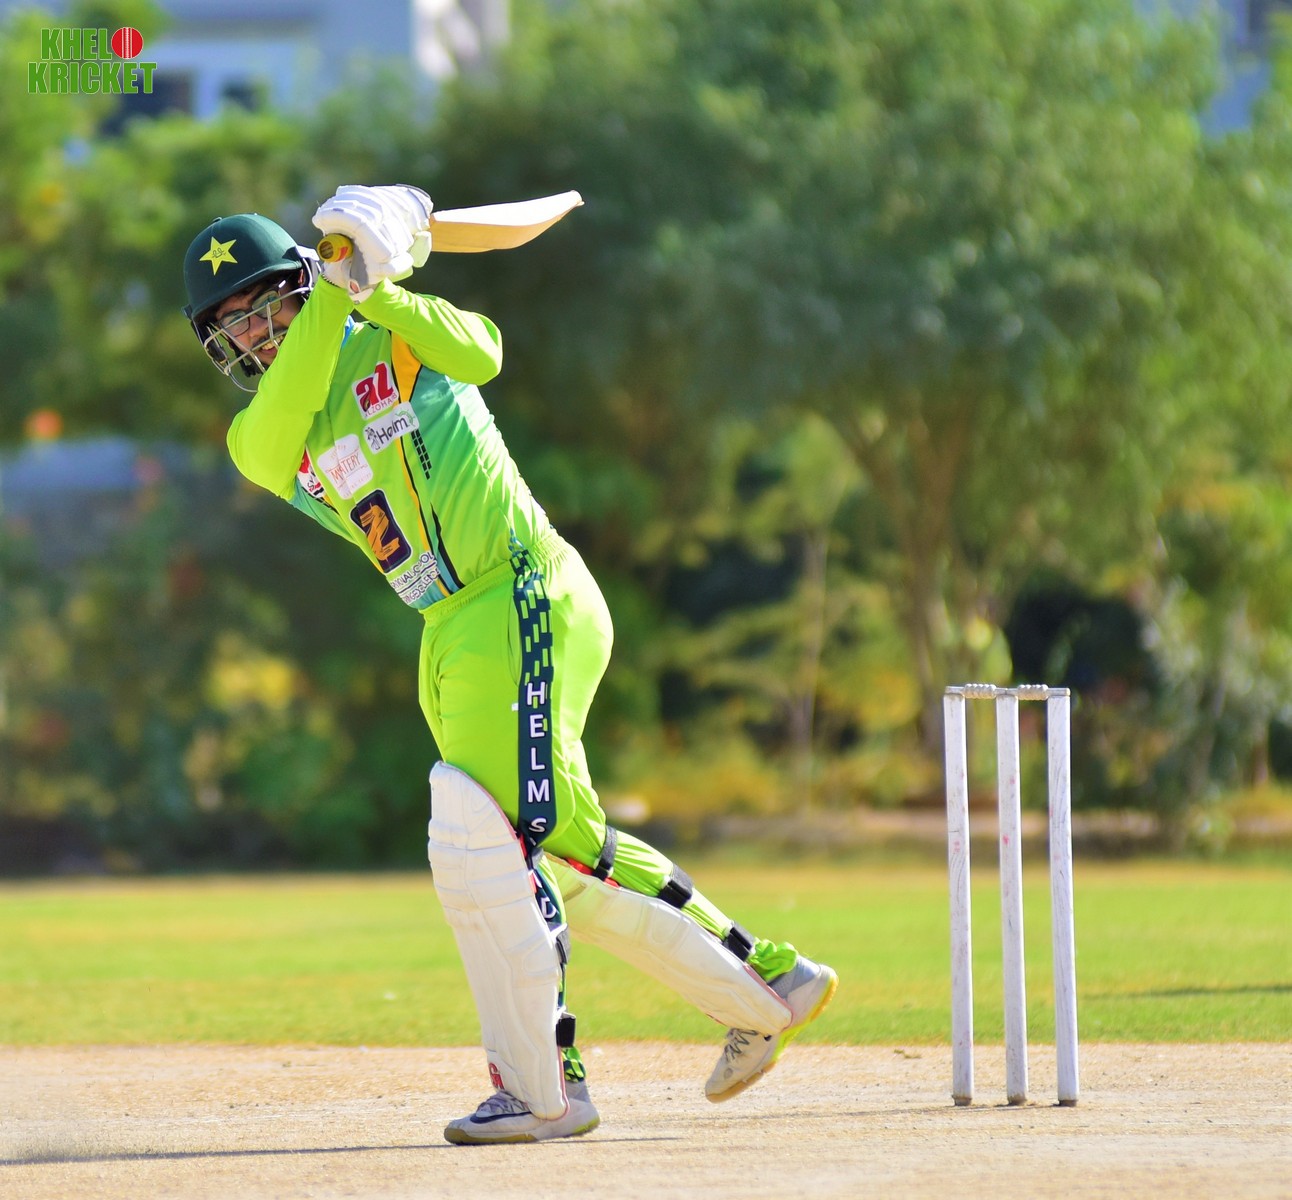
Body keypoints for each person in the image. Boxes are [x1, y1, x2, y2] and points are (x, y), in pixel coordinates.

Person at [181, 184, 838, 1145]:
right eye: (229, 326)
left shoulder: (391, 338)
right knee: (557, 850)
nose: (251, 335)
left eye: (261, 306)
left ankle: (544, 1086)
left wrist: (377, 285)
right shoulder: (259, 436)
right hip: (448, 629)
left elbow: (482, 350)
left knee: (486, 844)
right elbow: (292, 400)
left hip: (520, 587)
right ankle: (767, 984)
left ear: (295, 287)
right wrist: (336, 285)